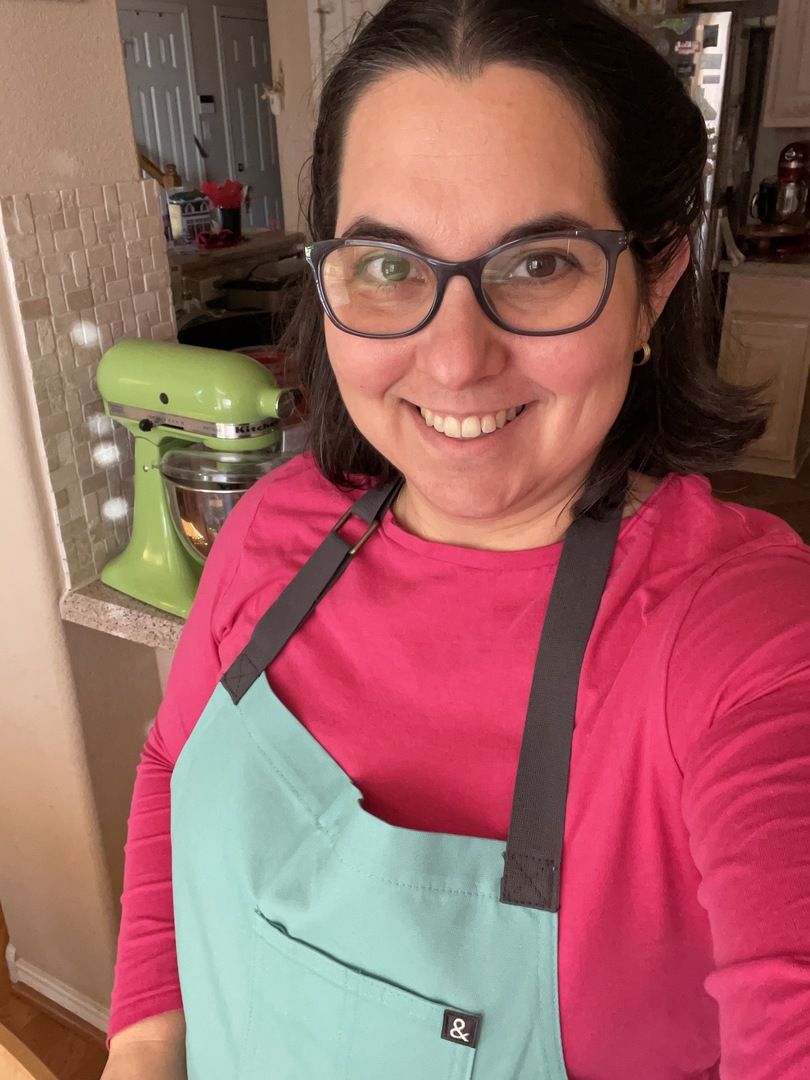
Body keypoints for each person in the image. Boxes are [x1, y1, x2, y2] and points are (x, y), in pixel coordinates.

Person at [102, 1, 810, 1077]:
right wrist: (146, 1045)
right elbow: (171, 763)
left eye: (540, 265)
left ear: (655, 284)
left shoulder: (743, 639)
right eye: (390, 267)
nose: (453, 360)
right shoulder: (274, 529)